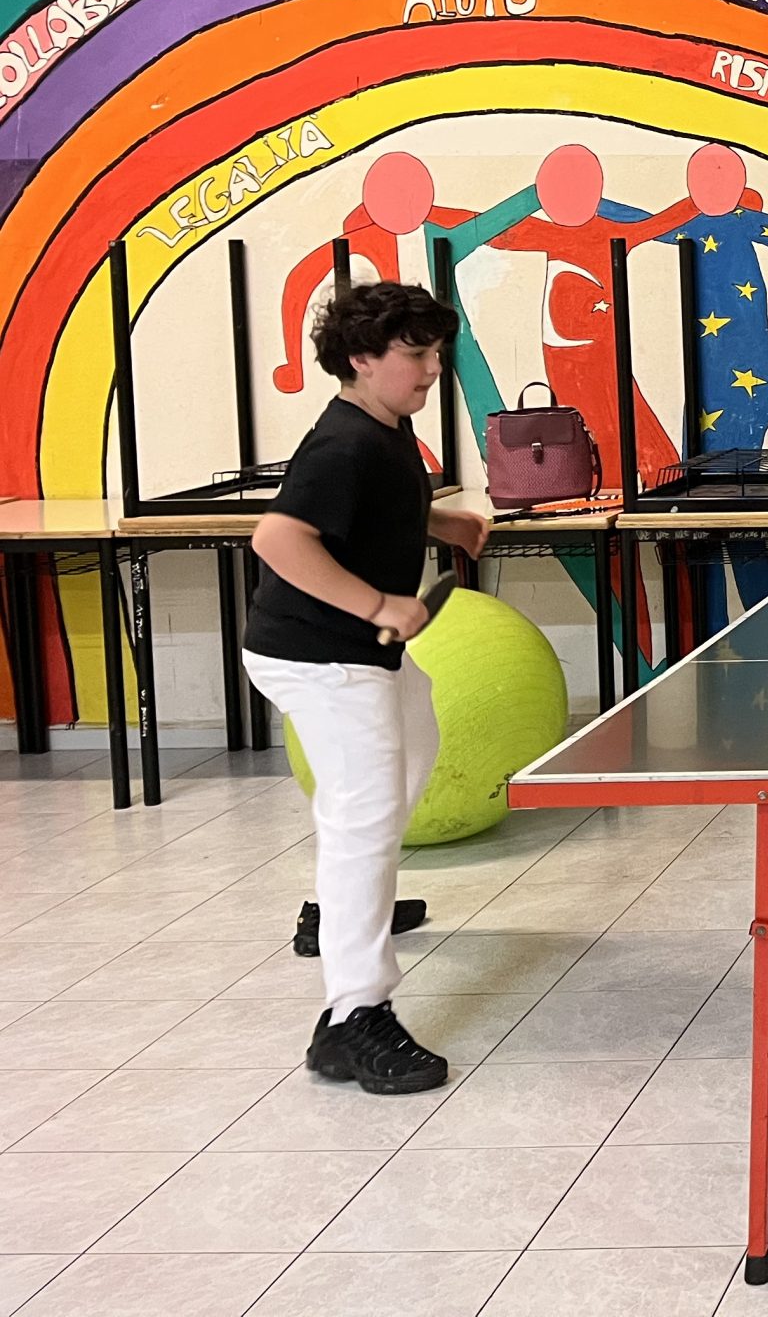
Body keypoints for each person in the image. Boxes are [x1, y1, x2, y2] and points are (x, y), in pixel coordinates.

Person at [246, 282, 489, 1096]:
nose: (431, 370)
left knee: (415, 746)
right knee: (365, 817)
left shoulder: (387, 426)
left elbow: (372, 510)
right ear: (360, 359)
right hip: (318, 654)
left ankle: (336, 906)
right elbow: (279, 539)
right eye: (415, 355)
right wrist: (380, 604)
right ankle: (354, 1017)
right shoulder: (342, 444)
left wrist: (441, 522)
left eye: (435, 354)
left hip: (357, 652)